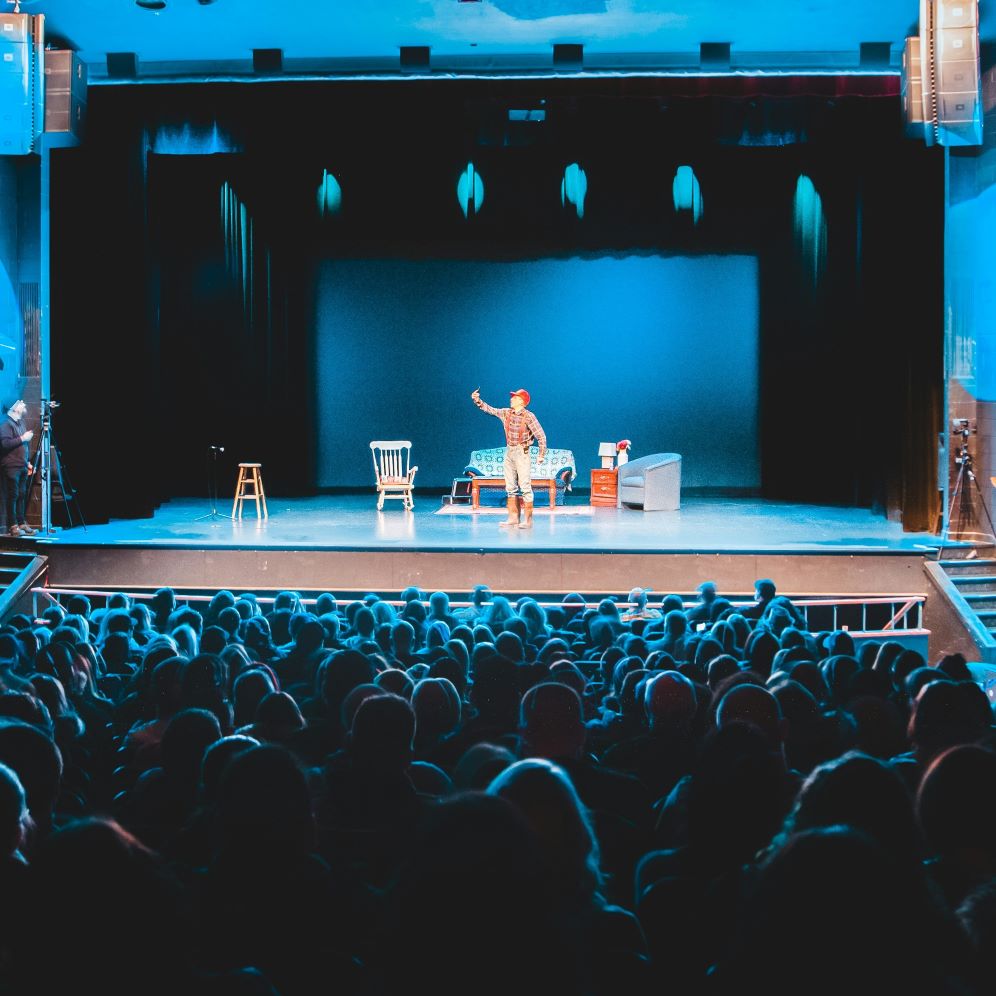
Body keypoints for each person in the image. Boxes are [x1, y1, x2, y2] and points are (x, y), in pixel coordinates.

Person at [471, 386, 547, 530]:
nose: (511, 399)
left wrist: (541, 455)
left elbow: (541, 436)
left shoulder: (529, 416)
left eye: (515, 397)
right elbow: (490, 410)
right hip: (510, 452)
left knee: (525, 486)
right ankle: (513, 518)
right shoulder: (507, 413)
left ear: (521, 401)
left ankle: (528, 521)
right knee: (510, 487)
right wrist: (477, 400)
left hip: (522, 453)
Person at [0, 400, 35, 537]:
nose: (24, 404)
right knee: (13, 495)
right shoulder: (6, 424)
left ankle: (21, 522)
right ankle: (12, 525)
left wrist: (28, 462)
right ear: (13, 409)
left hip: (22, 465)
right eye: (20, 403)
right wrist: (23, 438)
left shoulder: (21, 423)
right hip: (11, 466)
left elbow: (24, 446)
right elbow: (5, 444)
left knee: (21, 495)